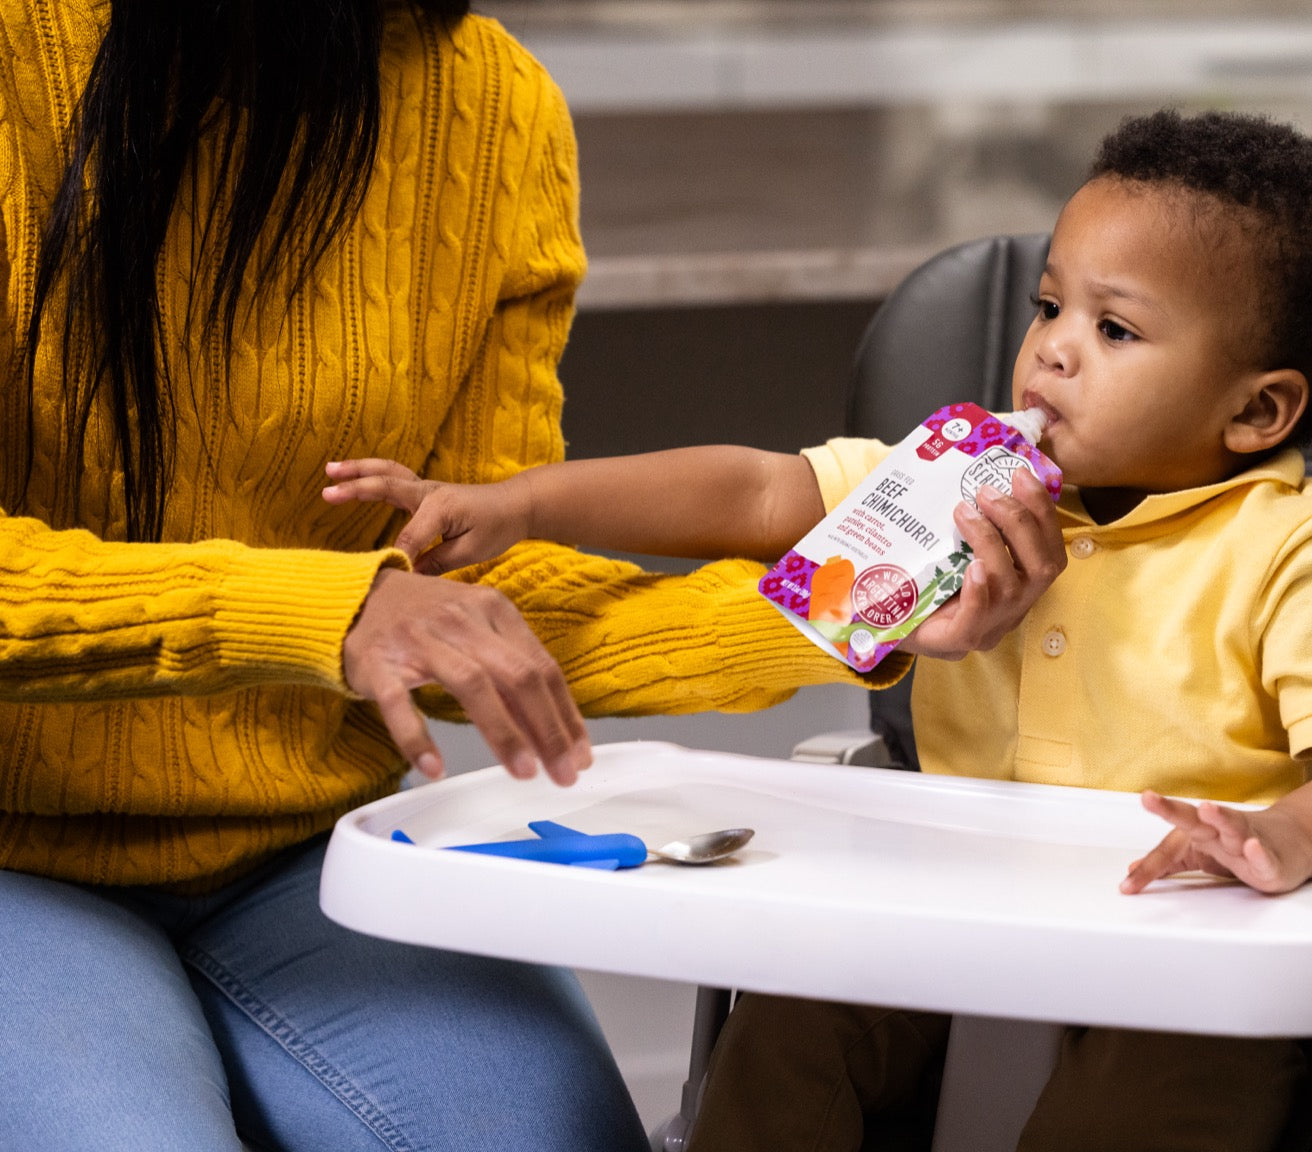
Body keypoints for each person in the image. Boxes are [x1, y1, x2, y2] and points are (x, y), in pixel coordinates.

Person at [0, 3, 1064, 1150]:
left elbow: (481, 598)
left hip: (307, 852)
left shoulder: (490, 105)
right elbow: (395, 612)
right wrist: (336, 609)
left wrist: (840, 613)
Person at [322, 110, 1312, 1152]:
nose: (1054, 349)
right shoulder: (956, 477)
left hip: (1183, 937)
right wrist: (521, 503)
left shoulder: (1293, 547)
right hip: (949, 910)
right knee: (788, 1035)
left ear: (1256, 410)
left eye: (1114, 328)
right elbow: (760, 497)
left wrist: (1289, 840)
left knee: (1142, 1107)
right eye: (1049, 308)